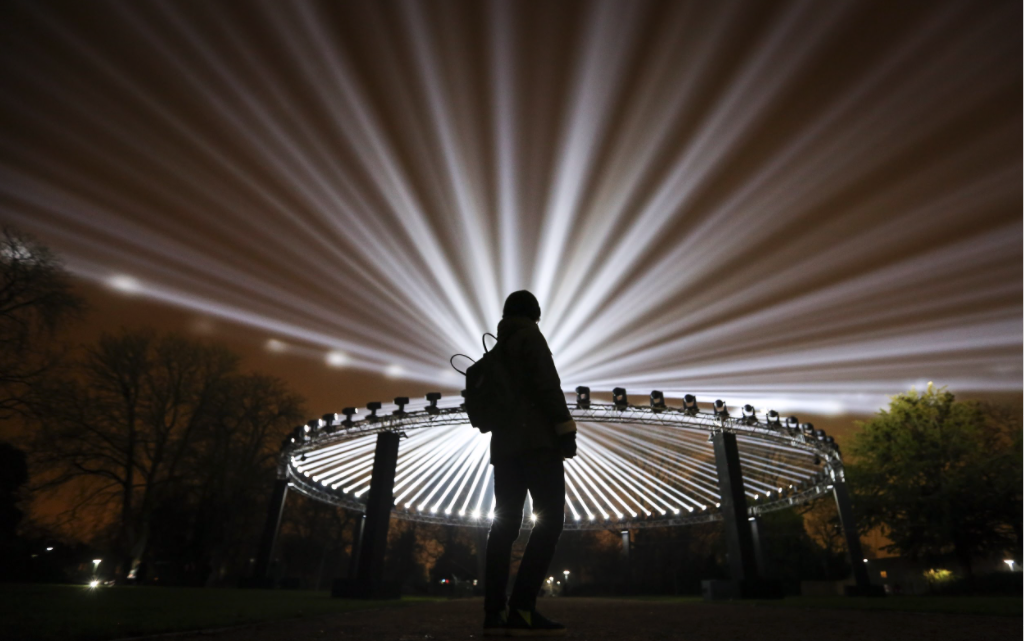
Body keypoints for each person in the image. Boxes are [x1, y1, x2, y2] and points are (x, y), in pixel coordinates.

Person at [483, 290, 577, 637]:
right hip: (537, 444)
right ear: (534, 313)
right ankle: (523, 607)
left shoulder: (497, 349)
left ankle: (493, 611)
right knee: (550, 521)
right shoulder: (531, 339)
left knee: (504, 527)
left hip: (504, 448)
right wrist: (565, 430)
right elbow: (548, 387)